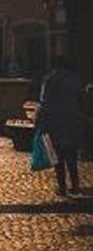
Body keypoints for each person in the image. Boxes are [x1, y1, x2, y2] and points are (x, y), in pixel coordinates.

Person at [37, 57, 83, 197]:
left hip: (54, 121)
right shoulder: (75, 79)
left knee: (57, 157)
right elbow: (79, 98)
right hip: (71, 119)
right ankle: (75, 186)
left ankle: (62, 187)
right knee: (71, 156)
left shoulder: (50, 79)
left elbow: (43, 101)